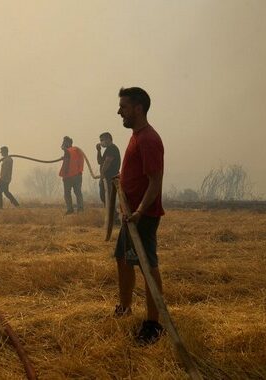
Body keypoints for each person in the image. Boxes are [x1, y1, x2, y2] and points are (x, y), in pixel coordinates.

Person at [113, 87, 165, 345]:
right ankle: (125, 308)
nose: (119, 111)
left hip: (142, 216)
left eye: (123, 107)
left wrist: (140, 211)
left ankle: (154, 324)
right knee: (123, 259)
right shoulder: (136, 136)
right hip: (130, 214)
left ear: (138, 108)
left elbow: (155, 182)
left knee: (147, 266)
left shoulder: (149, 140)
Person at [59, 136, 84, 214]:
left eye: (64, 142)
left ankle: (70, 209)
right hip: (78, 175)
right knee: (78, 192)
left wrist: (64, 175)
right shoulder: (76, 150)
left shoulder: (67, 151)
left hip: (69, 176)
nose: (63, 143)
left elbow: (66, 164)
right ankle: (80, 209)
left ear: (68, 143)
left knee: (67, 194)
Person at [96, 132, 121, 205]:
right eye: (100, 140)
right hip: (106, 177)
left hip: (110, 177)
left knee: (108, 197)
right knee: (104, 197)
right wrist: (98, 150)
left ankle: (113, 215)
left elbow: (107, 162)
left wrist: (102, 174)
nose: (101, 142)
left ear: (108, 139)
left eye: (102, 140)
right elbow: (100, 161)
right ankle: (111, 214)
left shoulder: (112, 148)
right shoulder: (107, 150)